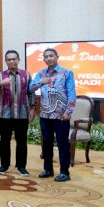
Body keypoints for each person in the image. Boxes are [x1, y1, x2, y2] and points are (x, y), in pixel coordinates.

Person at [30, 48, 76, 182]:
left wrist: (68, 112)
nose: (48, 58)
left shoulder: (66, 72)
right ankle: (48, 169)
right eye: (46, 57)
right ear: (43, 59)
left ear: (57, 57)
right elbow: (30, 88)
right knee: (47, 143)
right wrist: (40, 82)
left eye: (51, 56)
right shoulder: (41, 73)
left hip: (61, 115)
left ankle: (64, 172)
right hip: (45, 115)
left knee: (62, 143)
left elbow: (72, 94)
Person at [0, 50, 36, 176]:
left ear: (18, 60)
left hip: (22, 114)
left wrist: (32, 108)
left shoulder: (26, 75)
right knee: (4, 140)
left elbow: (31, 92)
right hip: (5, 114)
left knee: (21, 141)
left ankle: (21, 166)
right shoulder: (1, 75)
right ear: (6, 62)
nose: (11, 61)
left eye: (14, 59)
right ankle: (4, 165)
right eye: (9, 59)